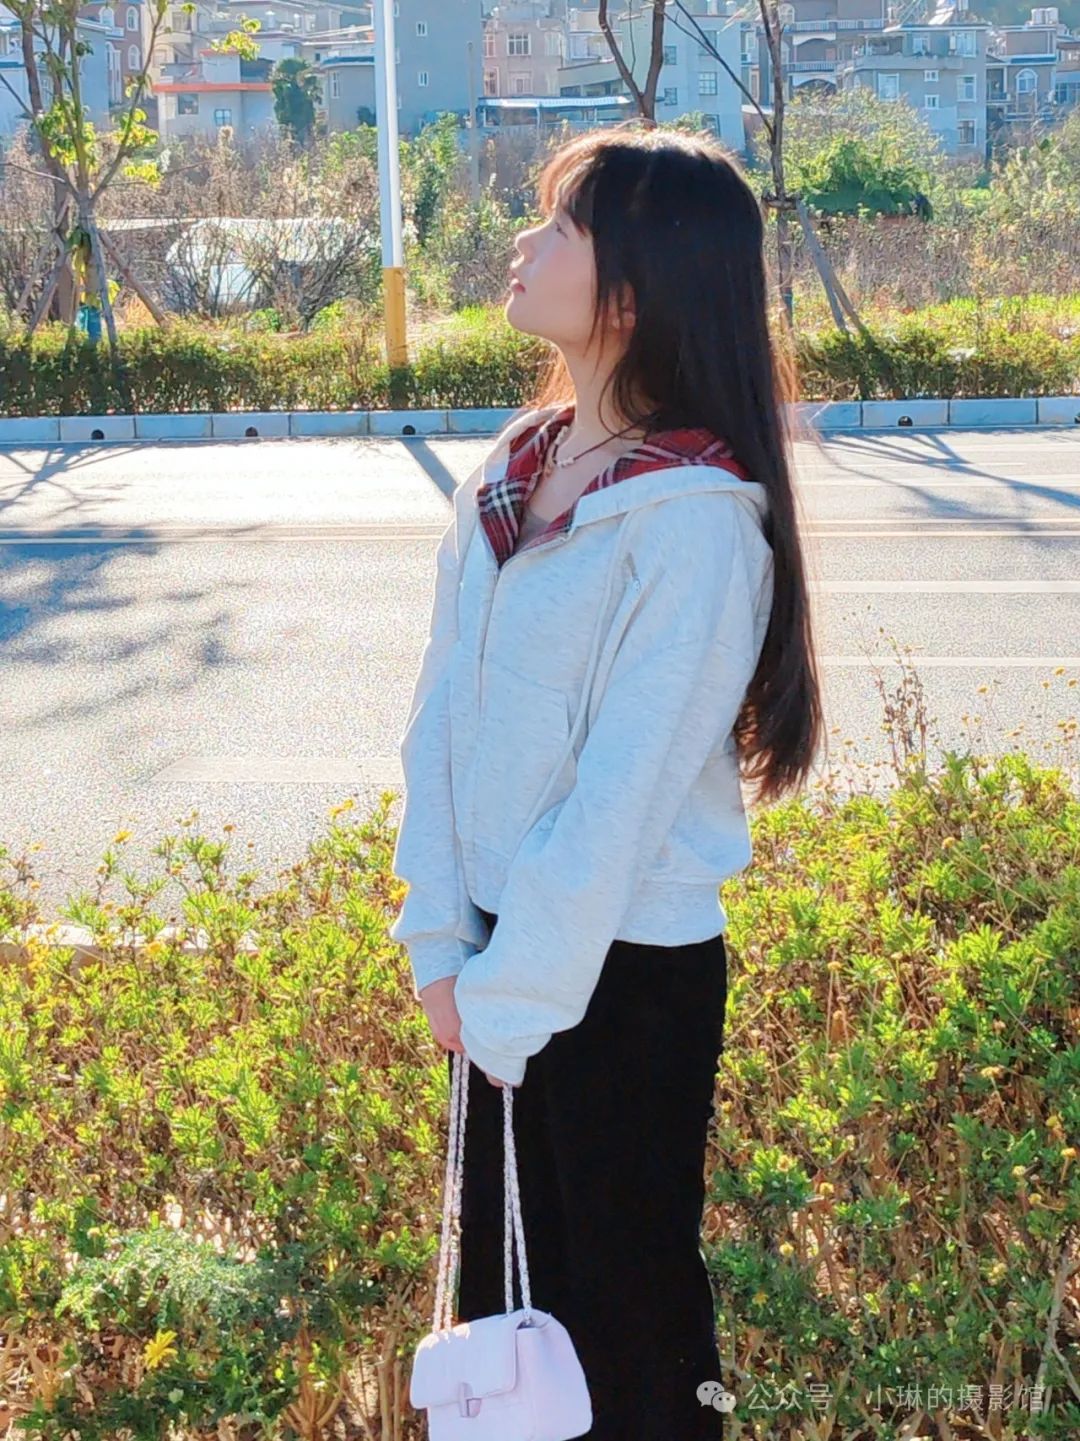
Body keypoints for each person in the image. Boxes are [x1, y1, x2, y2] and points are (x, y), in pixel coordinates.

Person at [390, 124, 826, 1440]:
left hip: (623, 984)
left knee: (630, 1345)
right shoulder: (513, 470)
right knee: (510, 1334)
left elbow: (619, 807)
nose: (525, 242)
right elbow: (439, 721)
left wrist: (501, 1002)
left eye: (562, 225)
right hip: (496, 969)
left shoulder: (696, 520)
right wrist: (438, 941)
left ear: (635, 289)